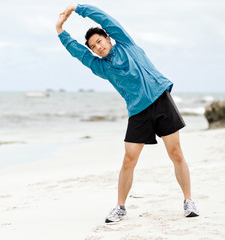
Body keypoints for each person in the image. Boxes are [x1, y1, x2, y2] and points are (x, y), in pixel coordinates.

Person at [55, 4, 199, 223]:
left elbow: (106, 19)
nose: (98, 47)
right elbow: (79, 54)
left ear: (108, 38)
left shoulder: (126, 44)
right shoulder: (102, 67)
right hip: (138, 112)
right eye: (94, 47)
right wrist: (60, 31)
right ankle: (120, 207)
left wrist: (78, 8)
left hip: (161, 100)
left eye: (100, 41)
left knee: (176, 153)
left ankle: (188, 201)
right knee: (128, 161)